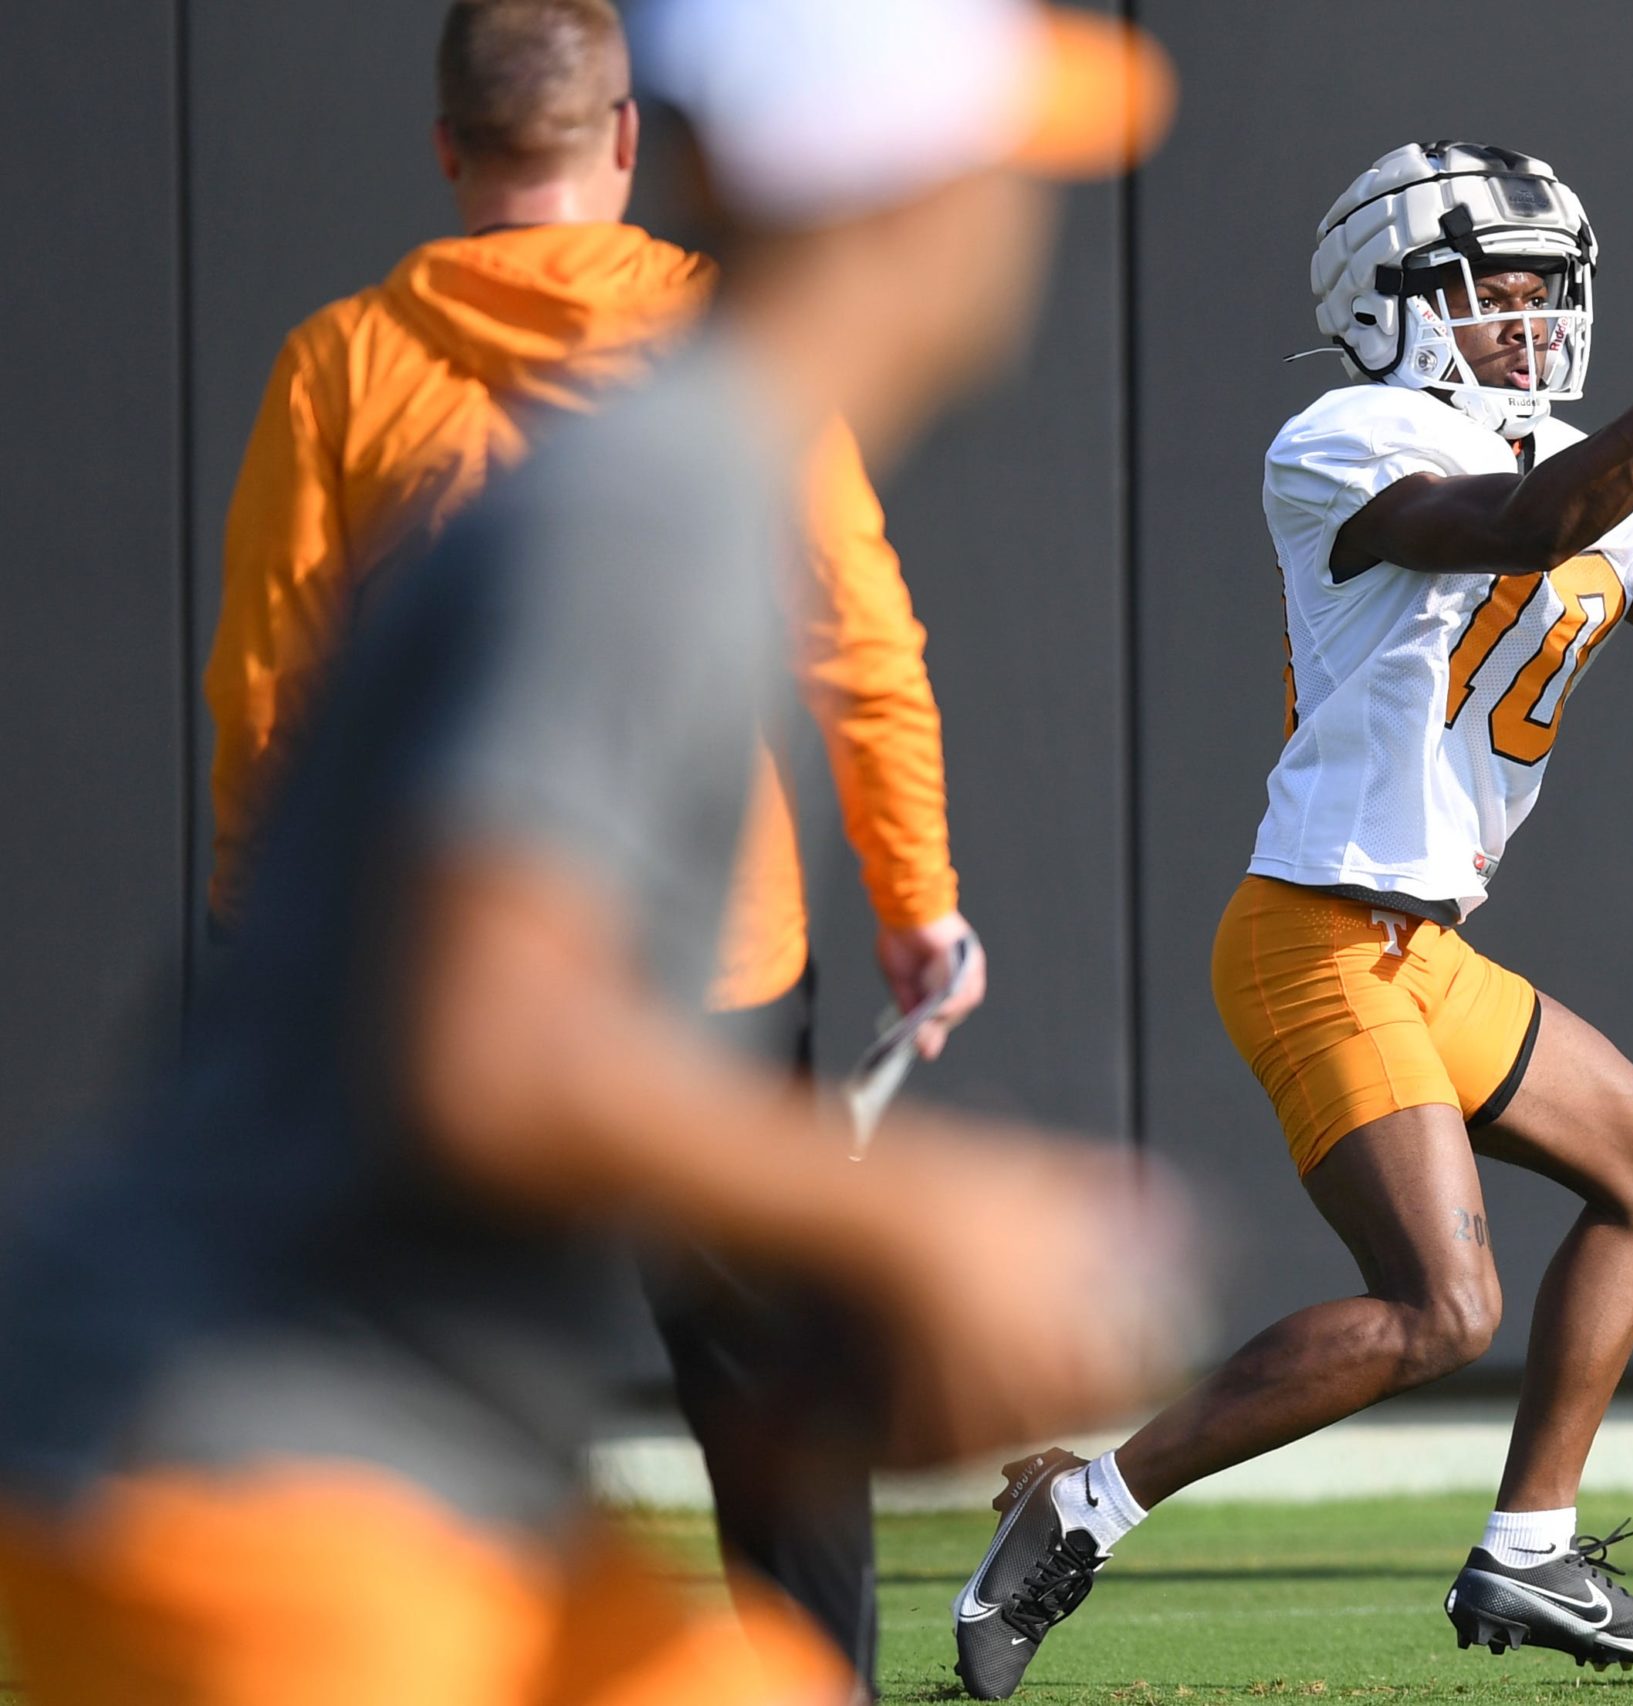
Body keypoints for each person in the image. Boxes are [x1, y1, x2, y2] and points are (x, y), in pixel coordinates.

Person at [0, 4, 1178, 1704]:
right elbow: (490, 1042)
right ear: (916, 197)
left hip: (245, 1406)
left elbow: (261, 691)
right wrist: (929, 1218)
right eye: (1013, 159)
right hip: (256, 1467)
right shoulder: (679, 475)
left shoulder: (391, 372)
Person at [953, 142, 1633, 1694]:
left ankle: (1528, 1551)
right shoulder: (1343, 436)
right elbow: (1521, 522)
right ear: (1381, 305)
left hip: (1419, 949)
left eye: (1541, 291)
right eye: (1482, 290)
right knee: (1439, 1308)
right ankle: (1082, 1502)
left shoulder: (1598, 466)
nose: (1521, 319)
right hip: (1317, 932)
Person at [198, 0, 987, 1680]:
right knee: (778, 1424)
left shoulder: (341, 360)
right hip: (707, 972)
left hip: (435, 987)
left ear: (448, 151)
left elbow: (266, 692)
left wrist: (271, 954)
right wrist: (921, 902)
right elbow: (861, 638)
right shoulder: (736, 345)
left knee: (412, 1430)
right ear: (628, 138)